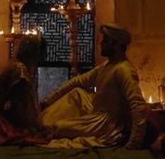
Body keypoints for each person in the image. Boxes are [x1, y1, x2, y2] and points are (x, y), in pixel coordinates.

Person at [38, 22, 150, 150]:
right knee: (77, 93)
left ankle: (50, 126)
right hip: (96, 110)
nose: (101, 43)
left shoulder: (124, 70)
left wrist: (134, 143)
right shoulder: (107, 65)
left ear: (117, 44)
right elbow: (77, 81)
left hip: (105, 125)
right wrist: (48, 100)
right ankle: (43, 122)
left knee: (59, 128)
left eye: (106, 40)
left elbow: (138, 106)